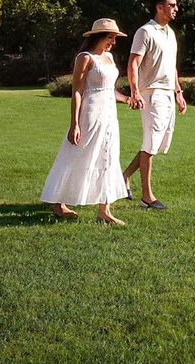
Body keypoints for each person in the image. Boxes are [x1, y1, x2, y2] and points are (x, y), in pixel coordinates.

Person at [41, 18, 140, 225]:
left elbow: (109, 89)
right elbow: (77, 90)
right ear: (99, 36)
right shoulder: (85, 58)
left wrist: (127, 99)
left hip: (109, 115)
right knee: (78, 153)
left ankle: (105, 210)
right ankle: (59, 201)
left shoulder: (110, 58)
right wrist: (74, 124)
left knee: (108, 155)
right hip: (90, 113)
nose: (113, 42)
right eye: (110, 37)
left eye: (114, 37)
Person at [122, 0, 186, 210]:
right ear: (160, 8)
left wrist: (178, 93)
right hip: (151, 94)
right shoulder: (145, 32)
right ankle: (147, 197)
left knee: (154, 144)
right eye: (172, 5)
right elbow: (133, 64)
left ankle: (124, 177)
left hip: (168, 93)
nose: (176, 9)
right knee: (150, 144)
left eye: (176, 5)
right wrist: (135, 91)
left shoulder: (171, 34)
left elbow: (172, 67)